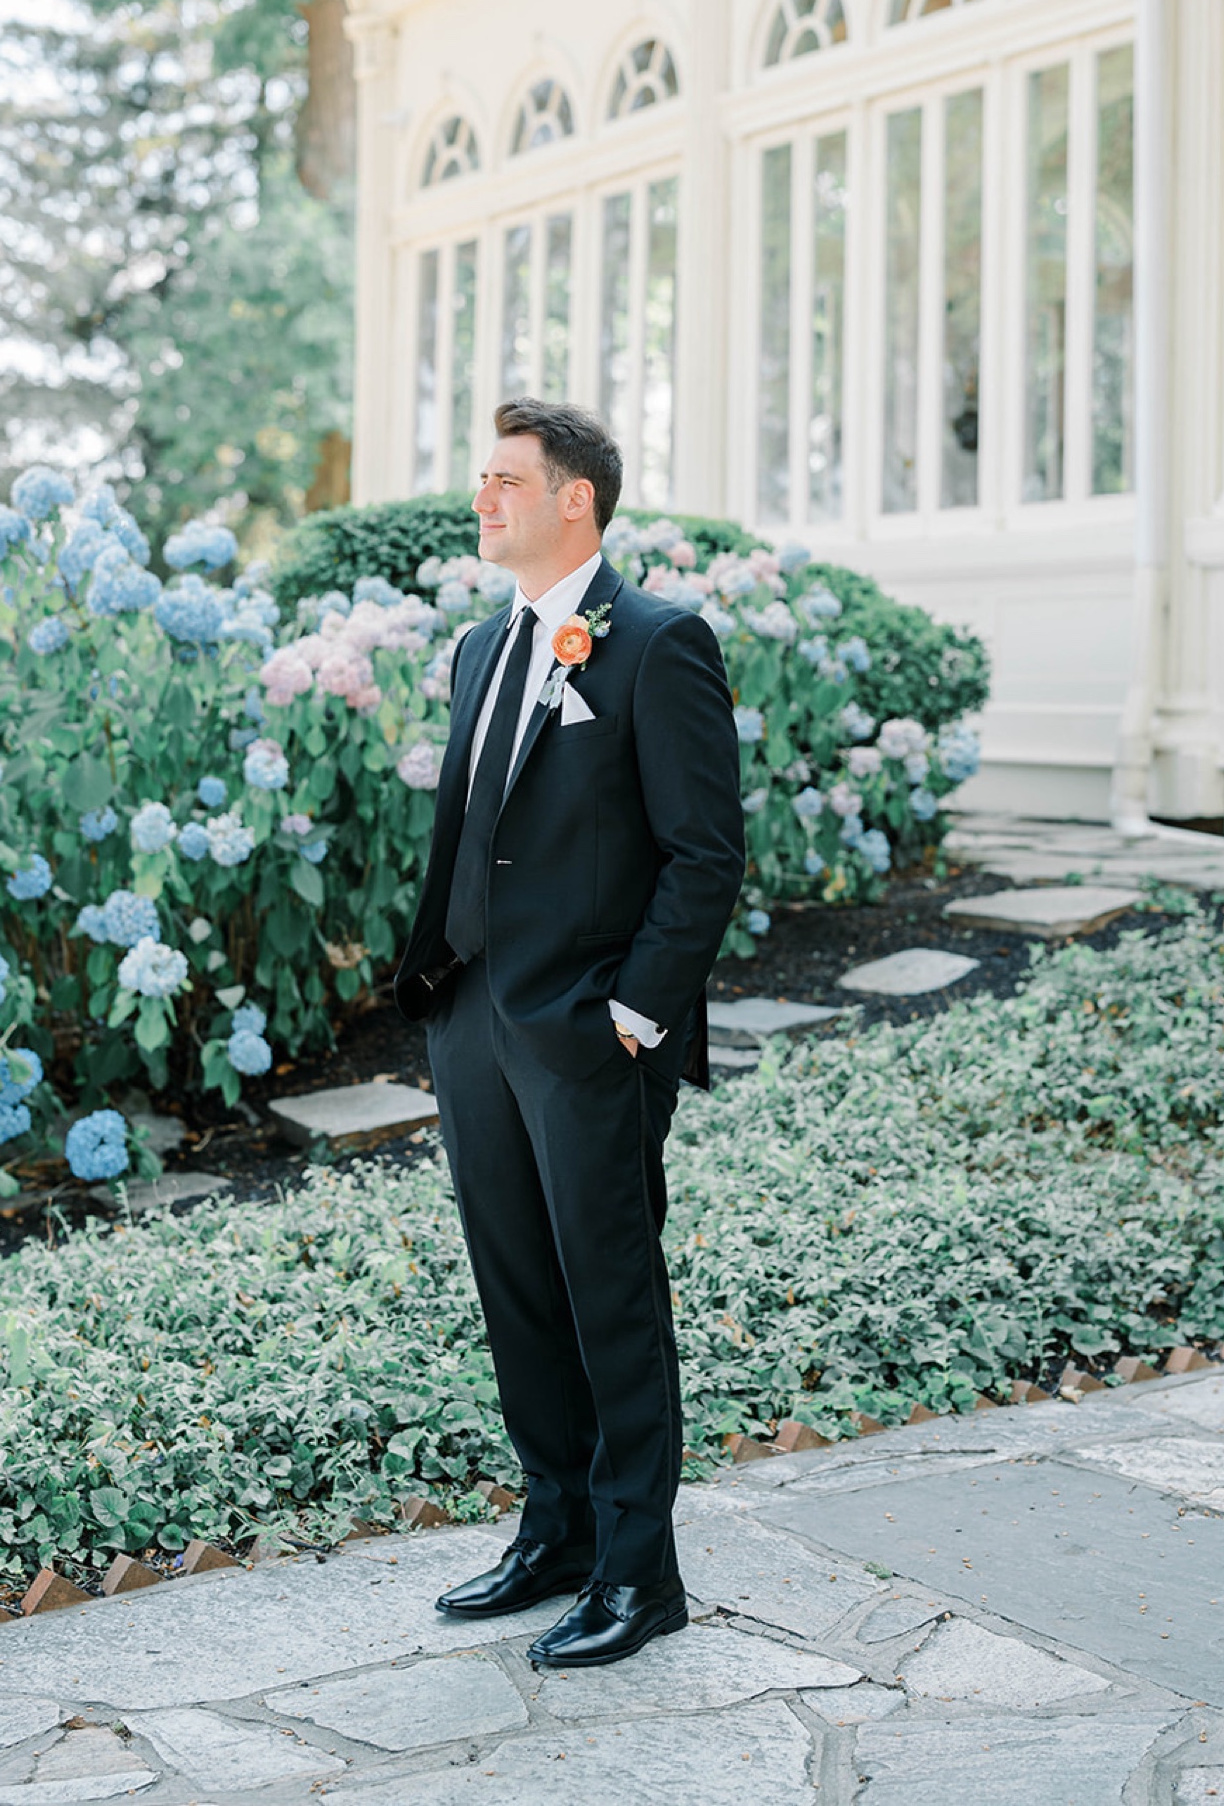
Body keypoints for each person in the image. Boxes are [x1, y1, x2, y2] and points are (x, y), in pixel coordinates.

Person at [394, 397, 746, 1669]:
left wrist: (635, 1018)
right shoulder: (486, 651)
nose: (483, 499)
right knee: (519, 1290)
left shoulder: (659, 644)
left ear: (574, 500)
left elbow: (704, 857)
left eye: (506, 480)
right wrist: (436, 983)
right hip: (476, 1017)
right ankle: (555, 1532)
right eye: (481, 479)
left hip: (591, 1031)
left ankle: (640, 1574)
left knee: (610, 1295)